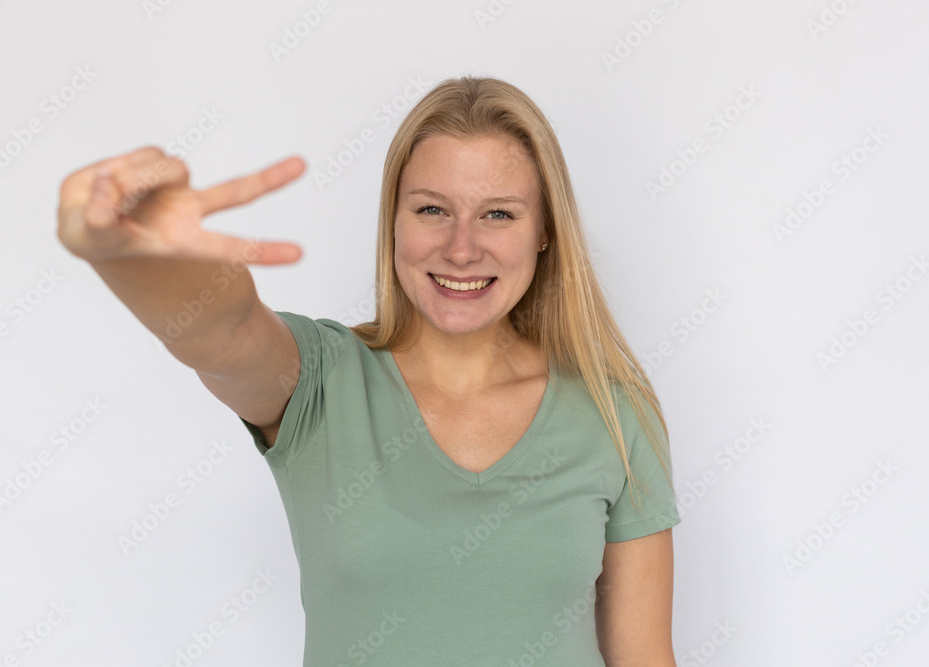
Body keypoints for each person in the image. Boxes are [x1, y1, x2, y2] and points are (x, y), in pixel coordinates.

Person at [57, 75, 681, 666]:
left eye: (499, 214)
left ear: (544, 232)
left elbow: (644, 657)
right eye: (432, 209)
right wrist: (135, 256)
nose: (462, 248)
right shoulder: (321, 382)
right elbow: (224, 330)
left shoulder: (611, 406)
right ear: (393, 222)